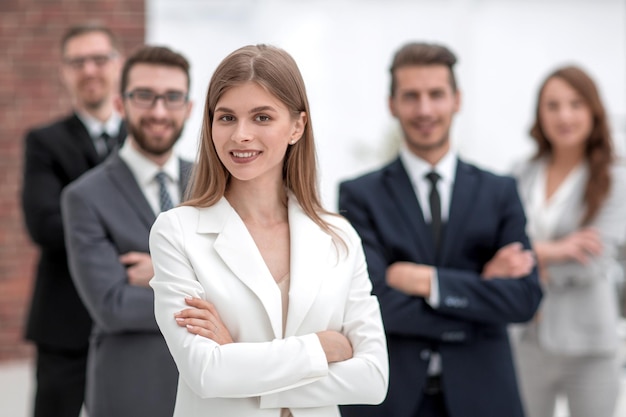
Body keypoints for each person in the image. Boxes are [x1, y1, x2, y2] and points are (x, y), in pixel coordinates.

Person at [148, 44, 389, 417]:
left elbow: (373, 379)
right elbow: (206, 374)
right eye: (226, 118)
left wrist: (237, 359)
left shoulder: (339, 237)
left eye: (261, 117)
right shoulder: (177, 231)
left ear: (297, 126)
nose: (241, 135)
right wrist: (321, 348)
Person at [338, 42, 543, 417]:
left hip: (484, 396)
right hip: (389, 398)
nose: (425, 109)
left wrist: (429, 282)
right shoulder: (358, 195)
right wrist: (481, 289)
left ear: (457, 100)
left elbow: (524, 298)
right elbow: (374, 301)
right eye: (411, 96)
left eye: (436, 94)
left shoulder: (499, 191)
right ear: (392, 104)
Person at [60, 45, 194, 417]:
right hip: (131, 393)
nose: (159, 111)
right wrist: (214, 293)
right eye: (144, 96)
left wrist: (165, 271)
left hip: (211, 393)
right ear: (120, 105)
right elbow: (113, 306)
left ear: (190, 107)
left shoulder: (217, 186)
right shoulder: (84, 196)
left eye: (172, 97)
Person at [21, 22, 125, 417]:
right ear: (64, 72)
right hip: (63, 321)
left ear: (118, 65)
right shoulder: (44, 142)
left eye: (99, 59)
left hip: (133, 313)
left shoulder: (144, 139)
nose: (89, 70)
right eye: (77, 62)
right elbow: (45, 225)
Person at [510, 65, 626, 417]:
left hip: (590, 343)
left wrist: (526, 259)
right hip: (527, 339)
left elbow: (591, 261)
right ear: (539, 113)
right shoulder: (520, 173)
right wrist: (555, 250)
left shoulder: (616, 179)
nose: (564, 115)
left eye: (575, 104)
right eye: (553, 105)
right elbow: (498, 247)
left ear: (593, 111)